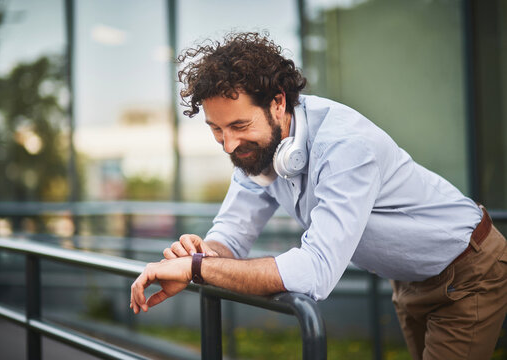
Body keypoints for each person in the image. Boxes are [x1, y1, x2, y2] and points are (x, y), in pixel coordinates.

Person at [130, 32, 507, 359]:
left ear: (278, 103)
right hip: (408, 279)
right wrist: (199, 254)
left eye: (239, 125)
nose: (228, 144)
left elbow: (315, 272)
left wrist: (198, 269)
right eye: (216, 129)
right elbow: (230, 235)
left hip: (467, 268)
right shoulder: (257, 150)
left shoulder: (346, 146)